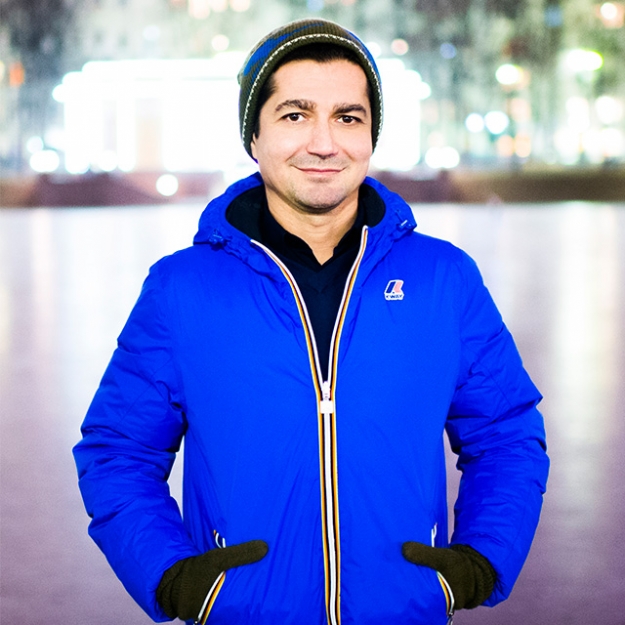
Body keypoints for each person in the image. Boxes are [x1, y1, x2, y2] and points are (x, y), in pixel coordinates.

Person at [73, 18, 549, 625]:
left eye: (347, 117)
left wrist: (480, 559)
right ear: (254, 135)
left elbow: (506, 432)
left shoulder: (443, 280)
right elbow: (118, 450)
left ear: (371, 135)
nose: (324, 143)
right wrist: (172, 576)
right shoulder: (182, 289)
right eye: (295, 115)